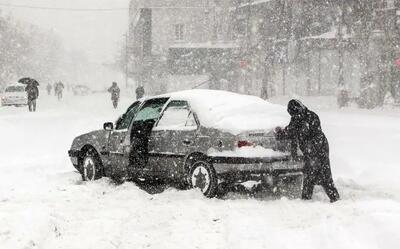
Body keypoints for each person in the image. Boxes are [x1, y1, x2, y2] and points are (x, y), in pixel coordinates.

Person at [275, 99, 340, 203]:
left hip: (319, 148)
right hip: (312, 149)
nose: (293, 115)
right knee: (311, 174)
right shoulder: (298, 118)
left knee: (322, 174)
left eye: (294, 113)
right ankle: (308, 198)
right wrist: (281, 133)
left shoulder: (311, 117)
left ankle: (332, 198)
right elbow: (291, 130)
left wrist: (311, 151)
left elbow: (303, 133)